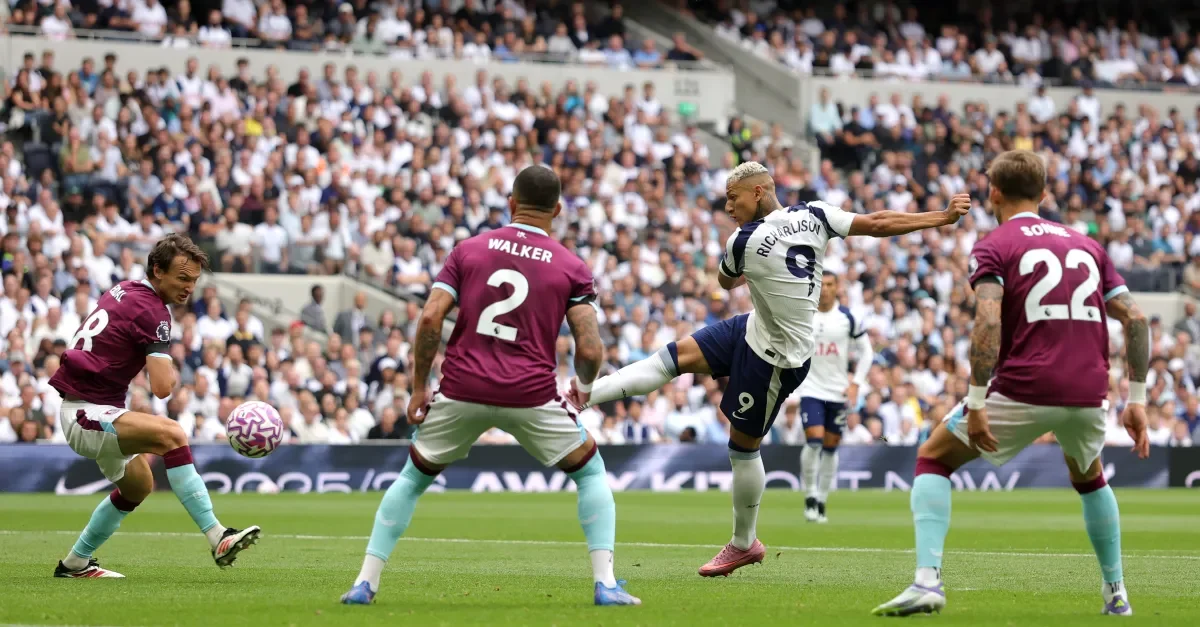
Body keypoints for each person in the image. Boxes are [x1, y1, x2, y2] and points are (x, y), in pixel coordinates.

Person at [571, 161, 970, 577]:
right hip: (753, 327)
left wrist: (763, 272)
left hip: (777, 357)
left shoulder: (741, 241)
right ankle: (580, 396)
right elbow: (878, 222)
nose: (727, 206)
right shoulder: (814, 214)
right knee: (672, 359)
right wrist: (940, 217)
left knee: (741, 449)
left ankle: (744, 543)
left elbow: (726, 282)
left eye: (733, 197)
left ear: (758, 192)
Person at [341, 166, 640, 606]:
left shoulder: (469, 250)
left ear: (511, 203)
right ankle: (606, 584)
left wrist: (419, 388)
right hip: (531, 394)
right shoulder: (571, 265)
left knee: (411, 479)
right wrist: (584, 386)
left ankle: (365, 582)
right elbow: (591, 348)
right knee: (590, 471)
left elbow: (429, 319)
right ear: (557, 210)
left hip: (463, 387)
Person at [872, 150, 1150, 617]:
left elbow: (987, 321)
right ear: (1044, 194)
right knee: (1090, 477)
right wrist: (1137, 399)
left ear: (993, 192)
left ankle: (926, 583)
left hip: (1025, 385)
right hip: (1088, 391)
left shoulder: (995, 244)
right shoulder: (1089, 246)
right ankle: (1116, 593)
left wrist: (977, 401)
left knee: (933, 458)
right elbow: (1137, 320)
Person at [49, 234, 260, 579]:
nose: (189, 287)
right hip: (85, 414)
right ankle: (218, 536)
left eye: (194, 280)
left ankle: (74, 564)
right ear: (157, 271)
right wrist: (172, 361)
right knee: (172, 433)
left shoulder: (127, 289)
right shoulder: (152, 311)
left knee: (138, 486)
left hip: (97, 409)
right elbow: (162, 388)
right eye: (182, 278)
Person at [798, 272, 873, 523]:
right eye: (821, 284)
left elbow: (867, 352)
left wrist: (856, 383)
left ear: (837, 286)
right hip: (810, 389)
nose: (825, 289)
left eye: (830, 284)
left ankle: (821, 500)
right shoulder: (803, 313)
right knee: (814, 442)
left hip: (837, 391)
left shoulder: (847, 318)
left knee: (830, 449)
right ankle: (809, 495)